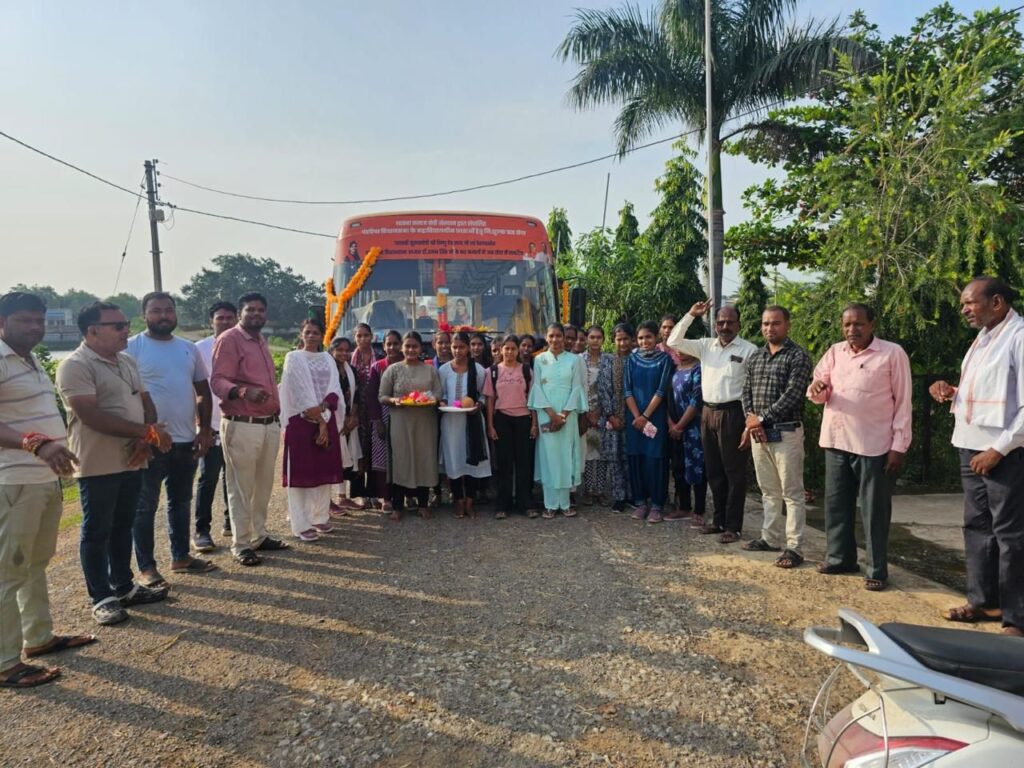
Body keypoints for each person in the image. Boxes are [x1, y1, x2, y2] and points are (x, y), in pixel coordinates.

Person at [57, 302, 172, 625]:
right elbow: (90, 415)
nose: (126, 330)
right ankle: (101, 597)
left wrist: (145, 438)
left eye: (125, 324)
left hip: (133, 457)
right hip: (98, 461)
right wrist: (146, 433)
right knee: (97, 530)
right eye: (118, 326)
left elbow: (145, 402)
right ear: (93, 330)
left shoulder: (126, 361)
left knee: (123, 524)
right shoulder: (75, 365)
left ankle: (123, 586)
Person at [0, 292, 93, 689]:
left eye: (39, 320)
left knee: (35, 563)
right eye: (25, 321)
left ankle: (38, 637)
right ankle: (6, 663)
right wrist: (35, 443)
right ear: (2, 322)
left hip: (43, 479)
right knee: (8, 571)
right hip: (14, 480)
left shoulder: (29, 359)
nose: (35, 328)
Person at [930, 278, 1024, 636]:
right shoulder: (984, 339)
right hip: (970, 446)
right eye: (963, 305)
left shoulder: (1018, 336)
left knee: (1011, 535)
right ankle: (984, 601)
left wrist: (998, 450)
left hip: (1004, 452)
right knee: (977, 529)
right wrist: (950, 391)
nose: (964, 310)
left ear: (997, 302)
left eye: (970, 303)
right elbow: (991, 393)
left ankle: (1016, 619)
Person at [808, 303, 912, 591]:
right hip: (836, 441)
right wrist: (817, 390)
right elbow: (819, 389)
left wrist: (899, 445)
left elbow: (903, 402)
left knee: (874, 510)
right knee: (836, 505)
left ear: (872, 324)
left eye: (858, 324)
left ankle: (877, 569)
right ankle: (840, 558)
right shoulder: (834, 352)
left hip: (873, 445)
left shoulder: (892, 353)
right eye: (847, 325)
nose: (852, 329)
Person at [127, 292, 216, 586]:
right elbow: (125, 395)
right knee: (145, 506)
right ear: (144, 315)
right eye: (156, 311)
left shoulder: (188, 349)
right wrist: (142, 432)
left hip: (185, 439)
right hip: (149, 442)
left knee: (180, 501)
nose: (163, 315)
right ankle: (147, 568)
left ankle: (181, 557)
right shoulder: (131, 348)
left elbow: (202, 391)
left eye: (168, 310)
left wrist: (204, 429)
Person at [211, 292, 289, 567]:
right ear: (240, 313)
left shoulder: (259, 340)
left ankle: (259, 535)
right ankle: (241, 543)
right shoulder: (230, 339)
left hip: (267, 424)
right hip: (242, 423)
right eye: (250, 310)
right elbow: (218, 381)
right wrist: (243, 391)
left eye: (260, 310)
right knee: (241, 486)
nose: (256, 314)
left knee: (263, 485)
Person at [668, 301, 757, 542]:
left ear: (738, 324)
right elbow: (673, 341)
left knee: (734, 472)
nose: (725, 326)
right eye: (720, 322)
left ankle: (733, 526)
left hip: (733, 414)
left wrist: (749, 423)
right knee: (714, 471)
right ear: (715, 324)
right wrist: (691, 314)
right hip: (707, 413)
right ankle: (718, 521)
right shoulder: (706, 345)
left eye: (729, 322)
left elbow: (753, 388)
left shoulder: (750, 350)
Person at [740, 306, 813, 568]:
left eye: (776, 323)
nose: (770, 328)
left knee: (792, 493)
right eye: (766, 323)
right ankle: (769, 538)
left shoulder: (798, 356)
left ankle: (794, 547)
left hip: (786, 432)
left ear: (787, 325)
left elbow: (793, 395)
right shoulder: (756, 357)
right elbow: (746, 391)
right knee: (769, 491)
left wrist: (761, 418)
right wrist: (752, 420)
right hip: (759, 434)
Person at [280, 318, 344, 542]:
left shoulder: (327, 358)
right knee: (301, 472)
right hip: (301, 421)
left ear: (322, 335)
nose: (311, 336)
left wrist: (323, 413)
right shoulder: (293, 357)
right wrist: (317, 417)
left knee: (323, 470)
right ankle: (301, 523)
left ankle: (320, 516)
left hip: (326, 415)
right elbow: (296, 389)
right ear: (301, 334)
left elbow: (334, 387)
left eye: (315, 332)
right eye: (307, 332)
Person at [378, 331, 442, 519]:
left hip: (425, 422)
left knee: (424, 460)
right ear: (402, 348)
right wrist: (394, 400)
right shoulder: (393, 370)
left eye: (415, 346)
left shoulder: (430, 370)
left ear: (421, 348)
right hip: (400, 422)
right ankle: (398, 506)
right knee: (401, 460)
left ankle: (422, 504)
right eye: (407, 346)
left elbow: (438, 394)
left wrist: (429, 399)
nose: (411, 350)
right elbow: (382, 396)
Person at [528, 323, 587, 518]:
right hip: (546, 414)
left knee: (565, 457)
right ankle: (550, 504)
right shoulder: (539, 360)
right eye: (551, 336)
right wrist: (552, 415)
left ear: (564, 337)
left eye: (558, 336)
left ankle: (565, 503)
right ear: (546, 337)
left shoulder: (574, 360)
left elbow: (577, 388)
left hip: (568, 415)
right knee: (549, 458)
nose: (555, 339)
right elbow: (537, 388)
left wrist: (563, 415)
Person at [193, 301, 237, 551]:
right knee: (208, 477)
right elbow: (194, 389)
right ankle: (202, 530)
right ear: (211, 321)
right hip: (210, 425)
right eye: (220, 318)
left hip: (236, 422)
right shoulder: (199, 349)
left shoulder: (242, 346)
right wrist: (201, 425)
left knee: (234, 476)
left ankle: (232, 522)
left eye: (230, 318)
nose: (225, 322)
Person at [624, 322, 674, 522]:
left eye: (648, 337)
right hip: (634, 418)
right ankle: (640, 502)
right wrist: (637, 416)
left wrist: (645, 417)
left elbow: (661, 391)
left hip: (655, 418)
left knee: (656, 459)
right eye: (641, 338)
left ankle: (657, 505)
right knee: (636, 457)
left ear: (656, 338)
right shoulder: (631, 359)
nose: (644, 341)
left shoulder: (665, 360)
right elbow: (627, 390)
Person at [438, 333, 491, 518]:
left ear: (468, 348)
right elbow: (442, 394)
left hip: (472, 422)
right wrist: (443, 402)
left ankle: (469, 502)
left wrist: (479, 405)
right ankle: (458, 502)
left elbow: (483, 395)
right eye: (454, 347)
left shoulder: (478, 370)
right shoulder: (444, 370)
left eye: (461, 347)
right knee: (454, 461)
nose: (457, 351)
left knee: (471, 462)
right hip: (451, 423)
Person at [485, 335, 538, 518]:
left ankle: (526, 503)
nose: (509, 352)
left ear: (518, 351)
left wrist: (534, 423)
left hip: (524, 419)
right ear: (501, 350)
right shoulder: (493, 372)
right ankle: (503, 504)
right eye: (506, 348)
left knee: (524, 463)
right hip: (502, 420)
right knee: (504, 464)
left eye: (513, 348)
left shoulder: (526, 370)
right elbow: (490, 400)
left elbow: (532, 399)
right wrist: (490, 426)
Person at [366, 330, 403, 515]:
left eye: (396, 343)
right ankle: (386, 498)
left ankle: (407, 495)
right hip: (383, 417)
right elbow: (371, 397)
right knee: (383, 459)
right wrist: (378, 421)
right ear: (383, 346)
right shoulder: (378, 367)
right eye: (389, 344)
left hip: (406, 417)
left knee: (404, 457)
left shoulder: (409, 364)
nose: (392, 347)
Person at [666, 350, 706, 524]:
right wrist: (671, 424)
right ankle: (683, 507)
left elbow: (696, 400)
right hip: (674, 427)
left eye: (684, 347)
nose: (680, 352)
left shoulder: (698, 369)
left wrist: (680, 425)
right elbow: (667, 399)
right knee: (679, 467)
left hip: (693, 427)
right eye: (678, 348)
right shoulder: (674, 369)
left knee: (698, 467)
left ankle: (699, 510)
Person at [599, 323, 634, 512]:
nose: (622, 343)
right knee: (614, 458)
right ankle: (619, 497)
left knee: (630, 457)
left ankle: (633, 495)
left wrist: (630, 415)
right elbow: (603, 389)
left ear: (632, 340)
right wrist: (611, 415)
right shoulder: (607, 361)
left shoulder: (637, 360)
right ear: (613, 340)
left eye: (626, 339)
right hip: (612, 418)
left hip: (633, 418)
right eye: (619, 339)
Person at [328, 337, 363, 514]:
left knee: (345, 459)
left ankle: (342, 498)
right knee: (330, 460)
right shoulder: (327, 370)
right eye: (339, 350)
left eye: (347, 350)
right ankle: (326, 501)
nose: (343, 353)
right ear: (331, 350)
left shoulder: (351, 370)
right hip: (331, 420)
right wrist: (341, 418)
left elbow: (356, 396)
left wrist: (352, 417)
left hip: (348, 422)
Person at [580, 325, 612, 505]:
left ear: (603, 339)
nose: (595, 340)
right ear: (586, 339)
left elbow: (611, 387)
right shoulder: (578, 360)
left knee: (601, 453)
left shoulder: (609, 360)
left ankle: (600, 490)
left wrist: (600, 411)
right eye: (592, 337)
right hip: (583, 413)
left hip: (603, 412)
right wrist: (586, 412)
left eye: (598, 337)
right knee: (586, 453)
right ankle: (588, 490)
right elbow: (576, 387)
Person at [350, 323, 380, 505]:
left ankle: (374, 493)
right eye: (359, 336)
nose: (363, 339)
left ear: (372, 336)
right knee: (358, 450)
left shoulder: (380, 356)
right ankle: (361, 494)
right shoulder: (349, 359)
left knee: (375, 450)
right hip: (357, 412)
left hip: (375, 411)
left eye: (366, 335)